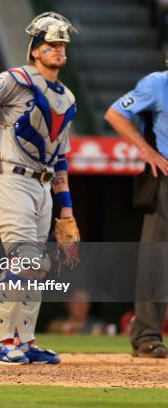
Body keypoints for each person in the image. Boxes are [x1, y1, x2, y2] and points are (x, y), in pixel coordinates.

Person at [0, 12, 79, 365]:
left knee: (40, 264)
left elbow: (61, 157)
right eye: (51, 44)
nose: (58, 50)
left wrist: (66, 210)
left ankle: (23, 339)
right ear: (35, 49)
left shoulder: (66, 96)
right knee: (26, 259)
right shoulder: (16, 79)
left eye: (62, 44)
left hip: (44, 184)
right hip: (12, 179)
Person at [105, 68, 168, 358]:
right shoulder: (157, 83)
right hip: (165, 177)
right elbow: (115, 113)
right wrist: (147, 150)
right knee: (156, 260)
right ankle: (145, 334)